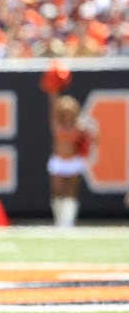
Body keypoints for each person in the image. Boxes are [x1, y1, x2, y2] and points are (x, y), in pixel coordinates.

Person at [44, 89, 94, 228]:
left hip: (73, 161)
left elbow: (92, 139)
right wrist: (53, 89)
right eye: (65, 112)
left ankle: (68, 222)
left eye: (70, 112)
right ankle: (58, 219)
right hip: (59, 161)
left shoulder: (79, 126)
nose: (67, 115)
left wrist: (88, 135)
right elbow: (53, 106)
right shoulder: (57, 124)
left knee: (71, 191)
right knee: (57, 190)